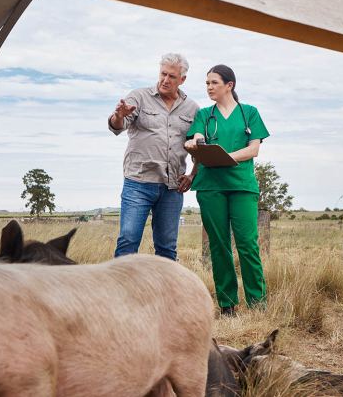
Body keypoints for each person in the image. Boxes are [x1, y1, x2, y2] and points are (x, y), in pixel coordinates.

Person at [185, 64, 269, 315]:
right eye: (207, 83)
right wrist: (194, 142)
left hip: (241, 186)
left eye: (214, 83)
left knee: (247, 244)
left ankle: (257, 304)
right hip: (211, 187)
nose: (209, 87)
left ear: (229, 85)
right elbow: (197, 137)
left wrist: (226, 156)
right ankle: (227, 305)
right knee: (219, 245)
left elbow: (253, 149)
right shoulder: (204, 114)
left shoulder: (249, 113)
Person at [108, 53, 199, 260]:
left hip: (172, 188)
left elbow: (198, 148)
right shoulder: (138, 97)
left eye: (172, 76)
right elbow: (117, 125)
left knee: (167, 247)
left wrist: (193, 175)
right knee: (128, 240)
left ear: (182, 79)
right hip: (138, 183)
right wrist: (119, 115)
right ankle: (121, 291)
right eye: (163, 74)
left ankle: (164, 292)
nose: (165, 80)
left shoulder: (192, 108)